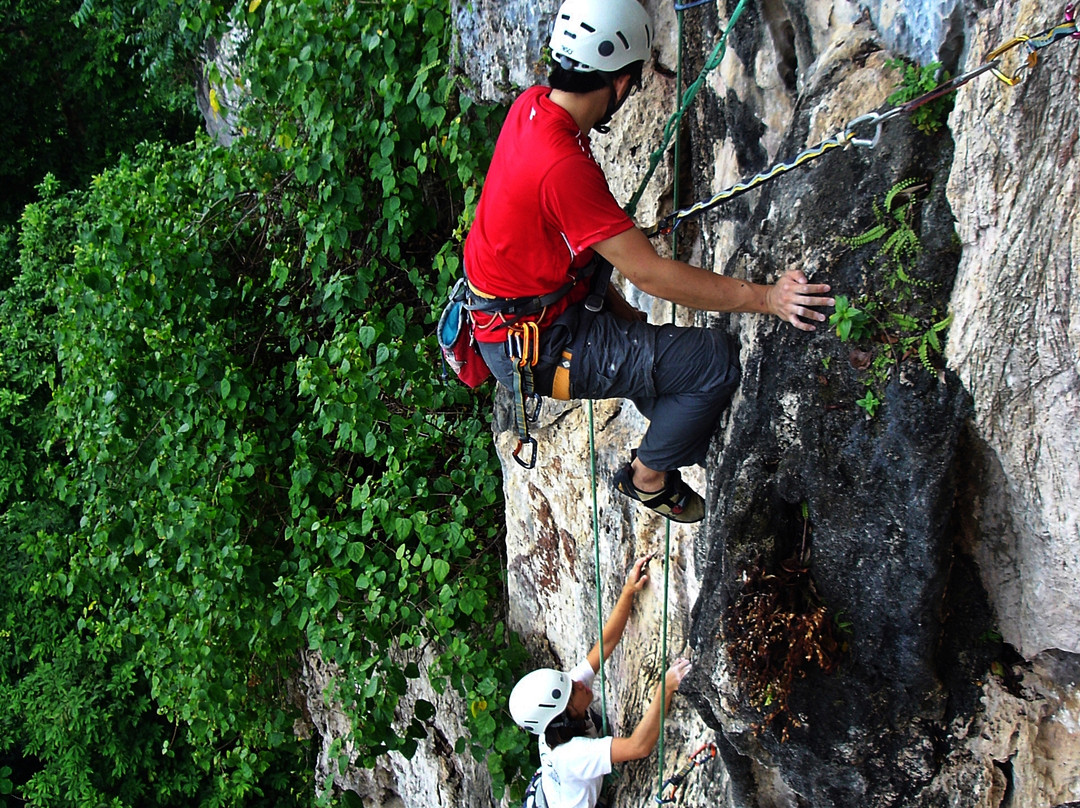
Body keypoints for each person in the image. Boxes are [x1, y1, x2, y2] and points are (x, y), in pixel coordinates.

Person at [462, 0, 834, 523]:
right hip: (540, 346)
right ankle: (648, 477)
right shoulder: (560, 163)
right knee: (714, 361)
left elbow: (568, 247)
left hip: (517, 319)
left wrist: (617, 311)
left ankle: (675, 430)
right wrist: (766, 298)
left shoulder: (533, 107)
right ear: (619, 82)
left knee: (644, 347)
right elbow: (650, 273)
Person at [509, 556, 692, 808]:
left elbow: (605, 645)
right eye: (572, 692)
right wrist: (666, 688)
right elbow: (639, 746)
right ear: (563, 716)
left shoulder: (560, 713)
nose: (580, 685)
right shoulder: (574, 754)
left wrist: (628, 591)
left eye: (571, 684)